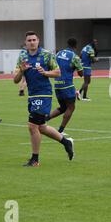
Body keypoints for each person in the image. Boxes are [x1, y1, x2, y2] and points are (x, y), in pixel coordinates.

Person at [13, 31, 74, 167]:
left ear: (38, 40)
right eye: (29, 40)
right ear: (26, 43)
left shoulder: (46, 55)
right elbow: (15, 80)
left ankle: (35, 160)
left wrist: (45, 72)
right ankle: (66, 142)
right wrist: (21, 71)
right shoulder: (23, 57)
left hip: (44, 94)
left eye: (34, 39)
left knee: (32, 125)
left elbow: (58, 72)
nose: (32, 42)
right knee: (41, 127)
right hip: (32, 95)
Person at [47, 37, 83, 135]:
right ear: (75, 46)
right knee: (71, 107)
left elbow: (51, 66)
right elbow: (81, 73)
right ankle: (61, 131)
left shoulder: (58, 54)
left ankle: (45, 119)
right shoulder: (74, 56)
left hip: (57, 85)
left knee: (63, 107)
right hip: (67, 85)